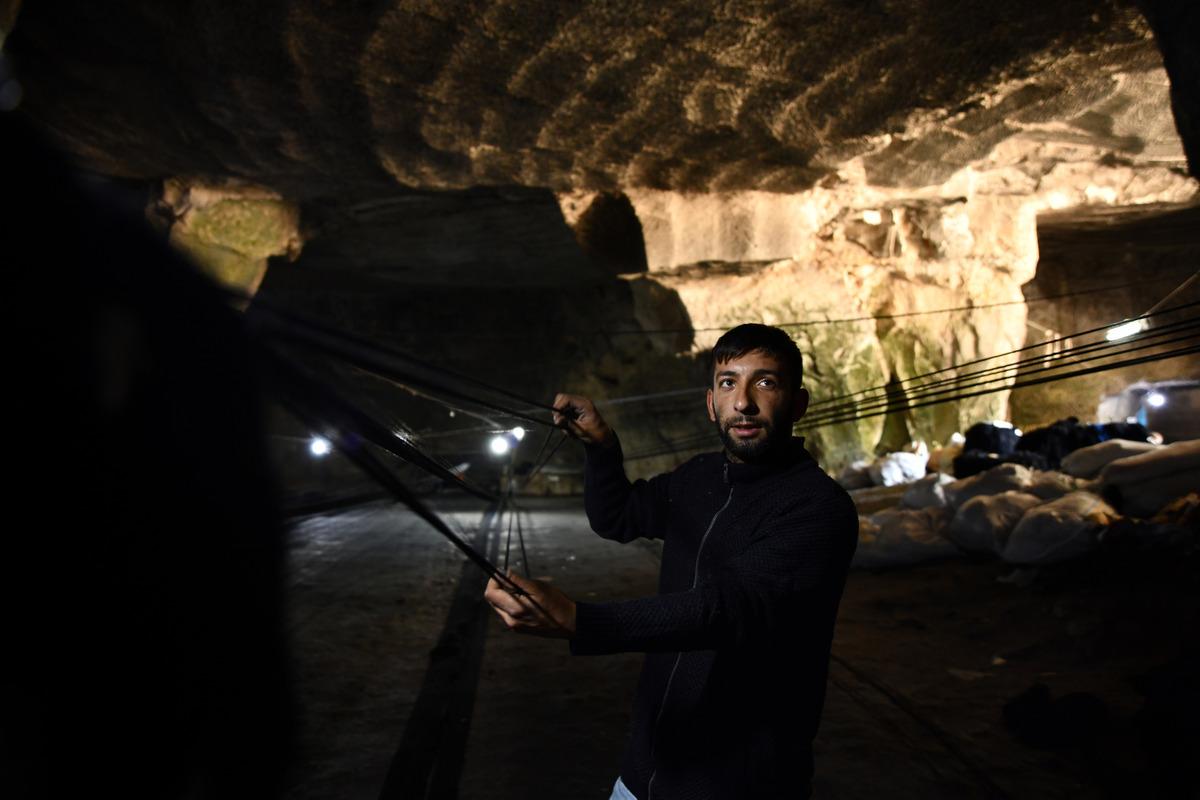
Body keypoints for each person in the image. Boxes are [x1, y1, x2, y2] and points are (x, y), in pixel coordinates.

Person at [484, 323, 858, 799]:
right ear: (710, 403)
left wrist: (580, 620)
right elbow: (617, 517)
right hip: (646, 768)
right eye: (728, 383)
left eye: (765, 382)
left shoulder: (818, 508)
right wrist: (600, 447)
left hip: (740, 783)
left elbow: (724, 610)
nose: (743, 401)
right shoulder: (699, 478)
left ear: (798, 404)